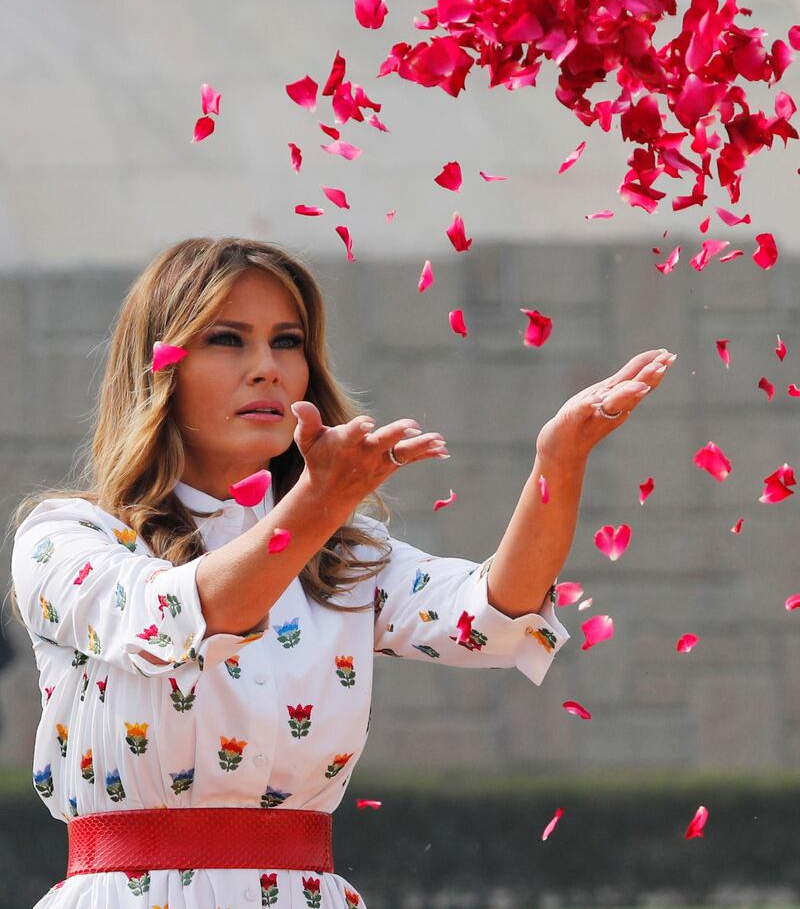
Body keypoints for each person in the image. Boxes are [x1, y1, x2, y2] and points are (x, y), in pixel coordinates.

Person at [9, 236, 674, 908]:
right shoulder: (68, 538)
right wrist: (318, 503)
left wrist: (558, 461)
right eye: (228, 340)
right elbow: (187, 614)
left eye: (287, 341)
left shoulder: (340, 555)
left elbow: (494, 616)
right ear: (159, 368)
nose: (266, 368)